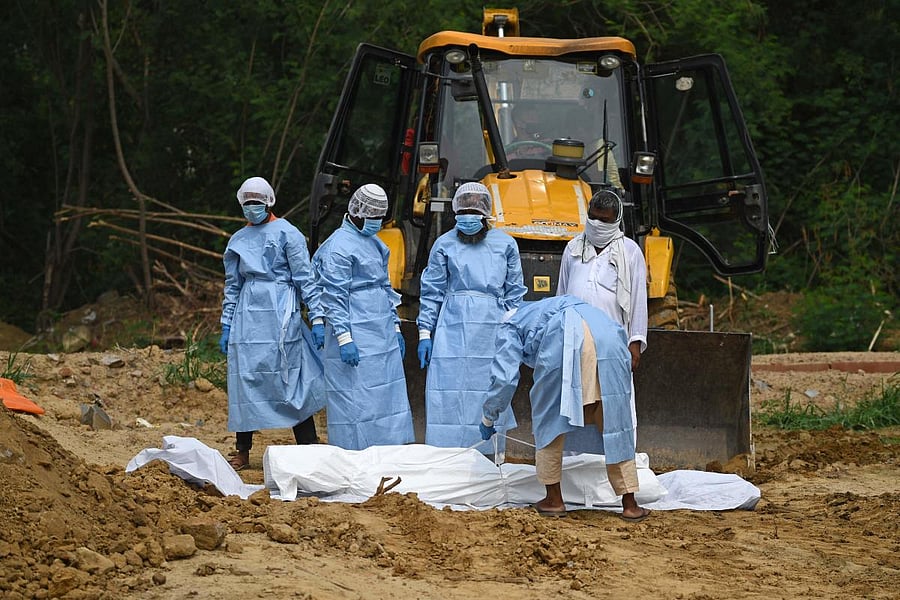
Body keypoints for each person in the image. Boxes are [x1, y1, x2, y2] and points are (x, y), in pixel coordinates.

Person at [479, 295, 651, 521]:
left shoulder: (509, 325)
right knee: (615, 420)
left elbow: (504, 378)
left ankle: (553, 499)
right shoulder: (546, 305)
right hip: (609, 336)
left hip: (564, 339)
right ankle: (630, 504)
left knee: (549, 417)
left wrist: (488, 417)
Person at [219, 176, 325, 471]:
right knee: (246, 379)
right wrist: (227, 323)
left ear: (269, 202)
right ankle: (242, 449)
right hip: (247, 316)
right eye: (247, 203)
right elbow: (232, 285)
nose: (252, 207)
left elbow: (305, 278)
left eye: (257, 202)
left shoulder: (288, 234)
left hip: (281, 311)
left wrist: (316, 317)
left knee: (291, 376)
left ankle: (308, 446)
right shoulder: (238, 240)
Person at [416, 182, 527, 452]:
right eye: (463, 210)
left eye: (474, 210)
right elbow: (431, 291)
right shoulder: (444, 244)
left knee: (488, 386)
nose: (468, 216)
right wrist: (424, 333)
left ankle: (488, 457)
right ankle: (445, 455)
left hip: (493, 328)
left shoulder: (505, 245)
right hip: (451, 326)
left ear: (486, 212)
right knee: (448, 391)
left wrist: (512, 333)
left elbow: (515, 293)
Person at [312, 183, 414, 450]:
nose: (376, 222)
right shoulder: (337, 247)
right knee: (355, 399)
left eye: (379, 217)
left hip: (380, 331)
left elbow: (384, 287)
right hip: (354, 329)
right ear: (356, 213)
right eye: (372, 217)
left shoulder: (375, 243)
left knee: (386, 394)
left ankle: (388, 452)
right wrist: (344, 338)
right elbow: (333, 296)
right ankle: (354, 455)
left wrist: (395, 327)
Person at [557, 187, 647, 448]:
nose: (597, 225)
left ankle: (615, 466)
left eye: (605, 220)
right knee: (575, 402)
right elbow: (561, 295)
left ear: (616, 221)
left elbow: (639, 300)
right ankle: (576, 463)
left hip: (611, 345)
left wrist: (635, 343)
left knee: (612, 405)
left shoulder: (630, 252)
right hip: (575, 341)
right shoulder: (573, 248)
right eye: (593, 218)